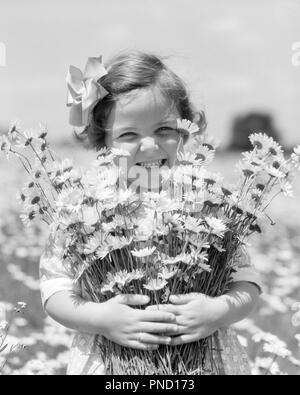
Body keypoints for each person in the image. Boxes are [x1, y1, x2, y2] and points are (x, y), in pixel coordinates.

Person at [40, 51, 262, 375]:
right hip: (111, 363)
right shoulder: (83, 209)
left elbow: (247, 282)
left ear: (185, 131)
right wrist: (100, 319)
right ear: (101, 141)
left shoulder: (207, 202)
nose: (149, 146)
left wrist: (217, 312)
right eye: (129, 135)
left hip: (203, 363)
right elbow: (55, 289)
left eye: (164, 130)